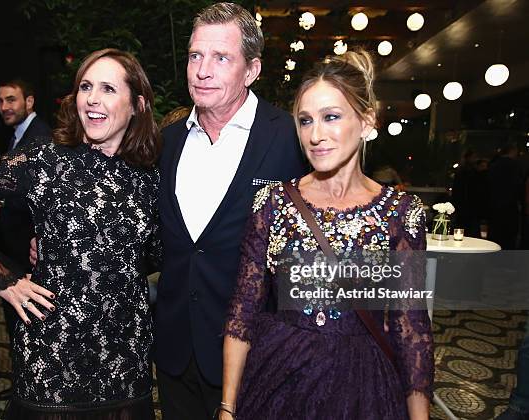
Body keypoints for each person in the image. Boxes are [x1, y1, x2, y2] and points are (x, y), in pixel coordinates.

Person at [0, 48, 161, 419]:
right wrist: (3, 279)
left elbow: (154, 253)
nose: (92, 98)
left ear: (136, 104)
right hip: (54, 355)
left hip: (126, 358)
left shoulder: (148, 173)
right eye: (86, 86)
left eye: (107, 88)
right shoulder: (47, 159)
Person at [219, 51, 434, 419]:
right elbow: (243, 311)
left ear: (366, 122)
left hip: (361, 386)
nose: (315, 135)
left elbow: (410, 329)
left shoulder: (400, 214)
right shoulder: (273, 203)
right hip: (278, 378)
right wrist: (227, 408)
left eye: (331, 117)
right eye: (305, 121)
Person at [155, 3, 307, 419]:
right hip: (175, 354)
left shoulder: (292, 140)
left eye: (221, 58)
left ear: (252, 70)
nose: (202, 70)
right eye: (195, 56)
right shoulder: (166, 142)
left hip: (257, 356)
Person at [0, 79, 53, 343]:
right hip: (17, 247)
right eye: (0, 101)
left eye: (11, 99)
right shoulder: (19, 134)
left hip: (29, 248)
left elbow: (40, 195)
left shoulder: (39, 136)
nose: (4, 107)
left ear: (29, 102)